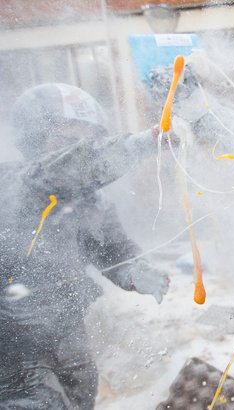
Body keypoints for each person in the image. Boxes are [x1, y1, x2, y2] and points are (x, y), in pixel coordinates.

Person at [0, 83, 170, 409]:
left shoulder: (91, 201)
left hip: (67, 330)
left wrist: (134, 270)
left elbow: (113, 250)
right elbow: (62, 172)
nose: (78, 149)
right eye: (65, 141)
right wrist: (139, 144)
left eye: (86, 141)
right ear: (32, 138)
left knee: (80, 400)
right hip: (11, 342)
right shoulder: (14, 182)